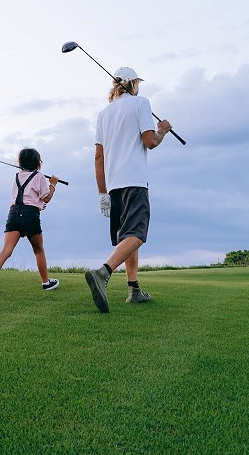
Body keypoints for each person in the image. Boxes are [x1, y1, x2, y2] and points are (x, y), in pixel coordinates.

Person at [84, 67, 172, 313]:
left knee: (128, 237)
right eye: (137, 83)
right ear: (132, 84)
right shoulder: (140, 103)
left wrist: (102, 193)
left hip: (113, 185)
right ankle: (103, 272)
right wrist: (162, 129)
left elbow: (98, 157)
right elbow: (150, 142)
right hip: (134, 180)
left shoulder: (103, 113)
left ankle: (134, 289)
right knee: (138, 234)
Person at [0, 148, 61, 295]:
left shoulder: (17, 176)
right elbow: (46, 197)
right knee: (38, 250)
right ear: (38, 163)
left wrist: (37, 204)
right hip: (30, 215)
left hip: (14, 213)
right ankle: (45, 282)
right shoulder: (39, 177)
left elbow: (23, 198)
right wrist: (53, 184)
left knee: (6, 250)